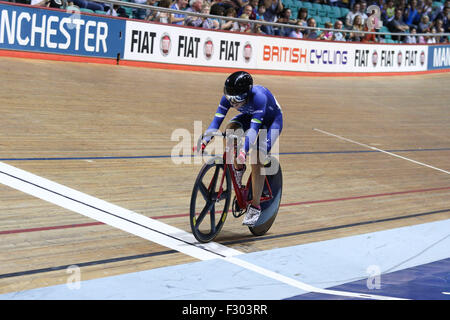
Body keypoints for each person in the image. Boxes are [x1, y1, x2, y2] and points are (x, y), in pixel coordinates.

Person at [199, 71, 283, 226]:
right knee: (230, 129)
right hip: (250, 116)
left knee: (257, 157)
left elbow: (254, 130)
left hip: (271, 122)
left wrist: (244, 151)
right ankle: (238, 170)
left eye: (236, 99)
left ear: (247, 93)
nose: (232, 102)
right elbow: (216, 123)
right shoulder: (229, 98)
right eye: (229, 97)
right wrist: (205, 139)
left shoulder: (259, 98)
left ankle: (255, 206)